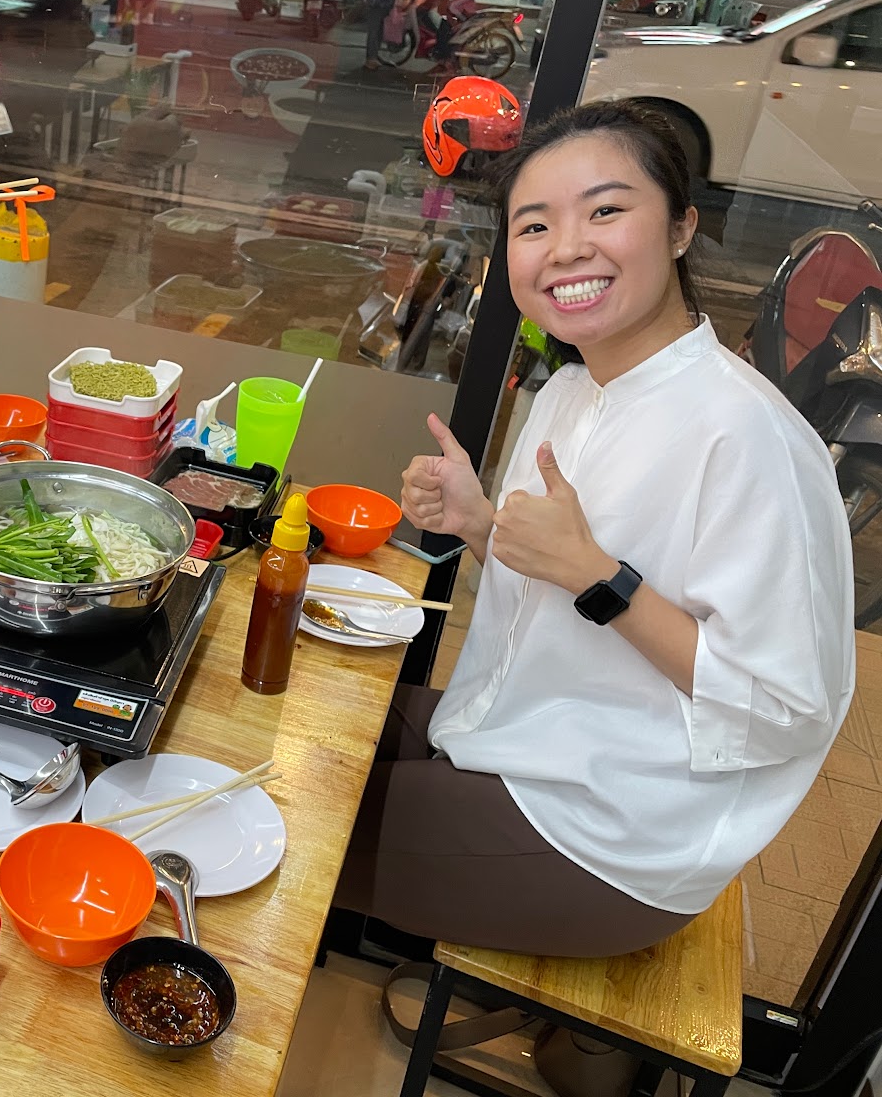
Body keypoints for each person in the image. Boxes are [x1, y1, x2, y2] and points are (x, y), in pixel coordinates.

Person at [335, 100, 855, 960]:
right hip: (519, 732)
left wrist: (599, 579)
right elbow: (553, 587)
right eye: (534, 225)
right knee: (310, 720)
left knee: (284, 820)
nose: (568, 247)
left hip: (612, 830)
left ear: (682, 227)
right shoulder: (569, 391)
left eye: (606, 211)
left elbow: (785, 710)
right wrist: (480, 526)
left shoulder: (747, 435)